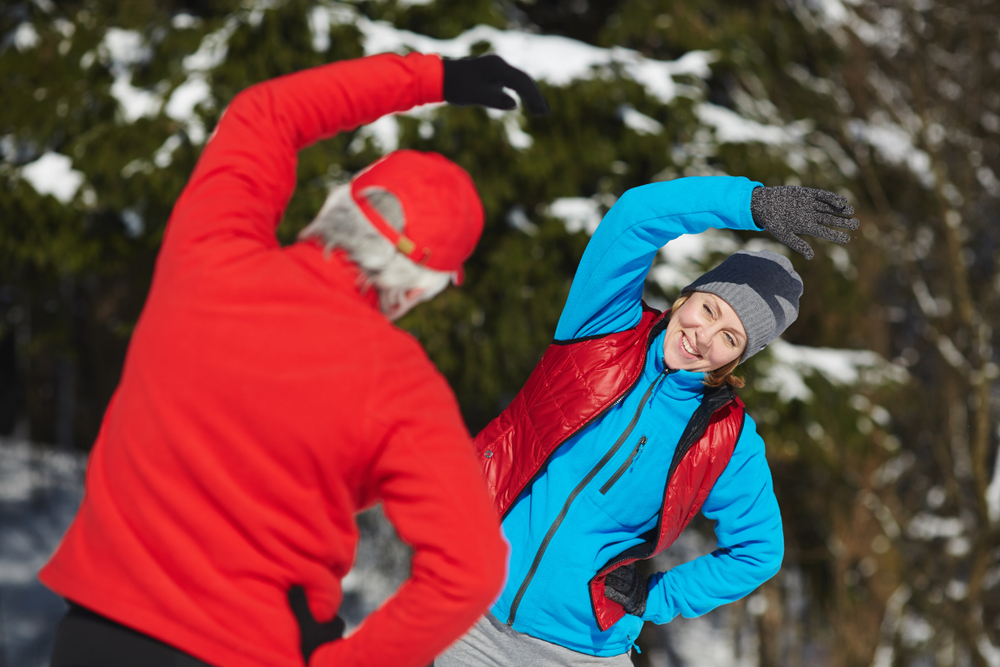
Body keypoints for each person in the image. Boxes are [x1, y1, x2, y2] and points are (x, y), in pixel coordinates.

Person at [39, 52, 548, 667]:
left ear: (338, 209)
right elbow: (469, 568)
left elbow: (267, 112)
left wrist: (434, 77)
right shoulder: (399, 383)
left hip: (95, 631)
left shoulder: (209, 255)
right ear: (418, 287)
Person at [434, 176, 859, 664]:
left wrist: (650, 600)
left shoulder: (725, 438)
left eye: (729, 337)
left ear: (739, 358)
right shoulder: (600, 330)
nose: (703, 337)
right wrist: (751, 204)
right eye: (709, 309)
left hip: (580, 652)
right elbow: (635, 217)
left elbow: (758, 552)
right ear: (686, 297)